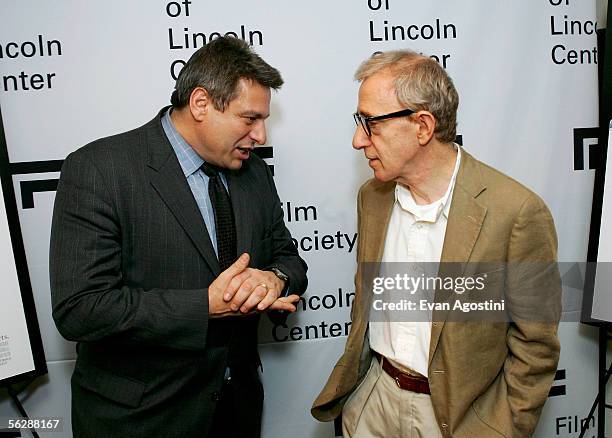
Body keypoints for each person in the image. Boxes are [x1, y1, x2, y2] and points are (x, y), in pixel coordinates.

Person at [50, 36, 307, 438]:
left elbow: (288, 257)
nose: (260, 136)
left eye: (264, 121)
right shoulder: (101, 170)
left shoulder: (252, 172)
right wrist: (203, 306)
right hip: (141, 420)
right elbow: (81, 309)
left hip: (236, 410)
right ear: (202, 104)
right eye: (250, 119)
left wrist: (273, 278)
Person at [312, 50, 561, 437]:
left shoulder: (516, 213)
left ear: (423, 126)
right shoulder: (372, 198)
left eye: (370, 124)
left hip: (454, 419)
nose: (357, 140)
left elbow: (535, 347)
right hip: (372, 399)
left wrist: (499, 430)